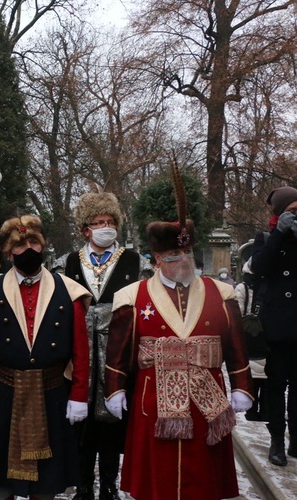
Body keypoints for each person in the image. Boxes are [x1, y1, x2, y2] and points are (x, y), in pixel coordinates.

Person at [104, 211, 253, 500]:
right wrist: (114, 389)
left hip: (206, 403)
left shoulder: (222, 294)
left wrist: (242, 386)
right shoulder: (132, 296)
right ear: (157, 258)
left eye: (186, 251)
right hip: (153, 401)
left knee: (203, 472)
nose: (183, 258)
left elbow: (236, 347)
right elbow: (119, 350)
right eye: (174, 253)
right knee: (157, 473)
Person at [0, 214, 91, 500]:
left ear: (43, 246)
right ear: (8, 252)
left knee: (46, 483)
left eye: (33, 242)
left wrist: (79, 395)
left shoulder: (70, 291)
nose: (28, 249)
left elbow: (81, 350)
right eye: (20, 244)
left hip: (51, 393)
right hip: (1, 393)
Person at [63, 192, 149, 500]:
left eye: (110, 221)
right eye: (99, 222)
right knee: (82, 420)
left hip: (117, 348)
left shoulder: (130, 259)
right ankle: (84, 483)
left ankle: (110, 483)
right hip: (82, 349)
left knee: (113, 418)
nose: (106, 227)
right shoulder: (73, 261)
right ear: (86, 229)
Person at [250, 185, 297, 466]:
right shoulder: (267, 237)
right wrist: (279, 234)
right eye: (292, 211)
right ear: (279, 213)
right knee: (277, 386)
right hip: (277, 327)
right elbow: (259, 266)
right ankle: (277, 440)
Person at [234, 258, 268, 422]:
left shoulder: (242, 288)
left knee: (252, 376)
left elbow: (237, 313)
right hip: (267, 336)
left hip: (248, 337)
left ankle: (252, 410)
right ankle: (265, 410)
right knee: (267, 377)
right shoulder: (269, 286)